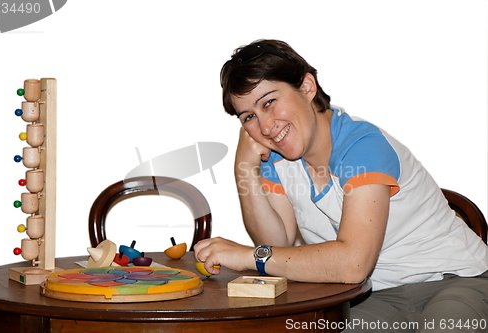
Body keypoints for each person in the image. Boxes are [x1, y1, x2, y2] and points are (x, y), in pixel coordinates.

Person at [194, 39, 488, 332]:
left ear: (307, 87)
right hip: (376, 297)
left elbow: (352, 264)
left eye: (269, 102)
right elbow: (276, 245)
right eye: (249, 117)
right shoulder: (278, 160)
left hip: (454, 281)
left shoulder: (362, 146)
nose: (266, 127)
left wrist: (248, 256)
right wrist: (244, 168)